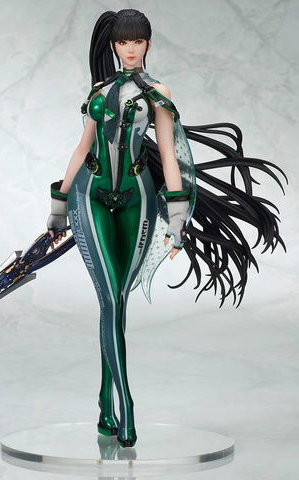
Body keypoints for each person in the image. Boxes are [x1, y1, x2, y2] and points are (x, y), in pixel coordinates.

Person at [46, 9, 287, 448]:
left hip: (137, 196)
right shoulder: (98, 92)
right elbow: (82, 148)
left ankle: (105, 402)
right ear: (113, 46)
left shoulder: (158, 93)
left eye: (138, 41)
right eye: (123, 42)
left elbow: (170, 155)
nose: (130, 49)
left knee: (116, 300)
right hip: (89, 195)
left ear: (149, 44)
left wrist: (177, 218)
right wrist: (59, 205)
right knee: (110, 297)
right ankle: (126, 404)